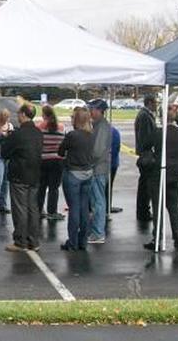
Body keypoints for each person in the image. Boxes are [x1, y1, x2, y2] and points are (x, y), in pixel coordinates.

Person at [144, 104, 178, 251]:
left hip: (160, 173)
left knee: (158, 207)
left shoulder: (159, 132)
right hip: (176, 174)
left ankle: (158, 238)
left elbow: (145, 145)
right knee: (173, 206)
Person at [1, 103, 43, 252]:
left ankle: (20, 241)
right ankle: (34, 240)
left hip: (19, 174)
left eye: (19, 113)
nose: (17, 116)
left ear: (24, 114)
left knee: (20, 209)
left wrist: (6, 139)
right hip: (35, 174)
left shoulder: (17, 134)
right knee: (33, 208)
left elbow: (4, 153)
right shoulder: (38, 133)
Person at [59, 107, 95, 251]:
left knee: (74, 208)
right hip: (88, 172)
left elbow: (60, 152)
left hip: (73, 172)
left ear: (76, 119)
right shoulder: (91, 135)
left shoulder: (72, 135)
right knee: (84, 208)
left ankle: (72, 242)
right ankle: (83, 241)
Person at [86, 99, 113, 244]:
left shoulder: (101, 127)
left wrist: (87, 161)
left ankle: (98, 233)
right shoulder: (98, 125)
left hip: (97, 169)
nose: (90, 112)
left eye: (92, 109)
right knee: (97, 201)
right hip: (98, 168)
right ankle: (97, 232)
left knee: (98, 202)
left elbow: (97, 151)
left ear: (99, 111)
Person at [37, 105, 66, 221]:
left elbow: (37, 144)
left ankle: (39, 210)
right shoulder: (61, 127)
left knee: (41, 187)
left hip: (42, 160)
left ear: (44, 115)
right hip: (57, 161)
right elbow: (64, 144)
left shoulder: (39, 127)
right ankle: (52, 211)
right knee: (54, 188)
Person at [134, 94, 159, 223]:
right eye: (155, 102)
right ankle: (143, 211)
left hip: (145, 153)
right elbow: (146, 137)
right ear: (150, 103)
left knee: (144, 184)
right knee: (145, 185)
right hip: (146, 155)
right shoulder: (144, 116)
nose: (157, 105)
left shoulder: (145, 115)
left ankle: (143, 210)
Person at [109, 122, 123, 215]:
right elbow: (117, 148)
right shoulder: (114, 131)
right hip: (113, 163)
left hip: (107, 164)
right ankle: (108, 205)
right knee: (109, 186)